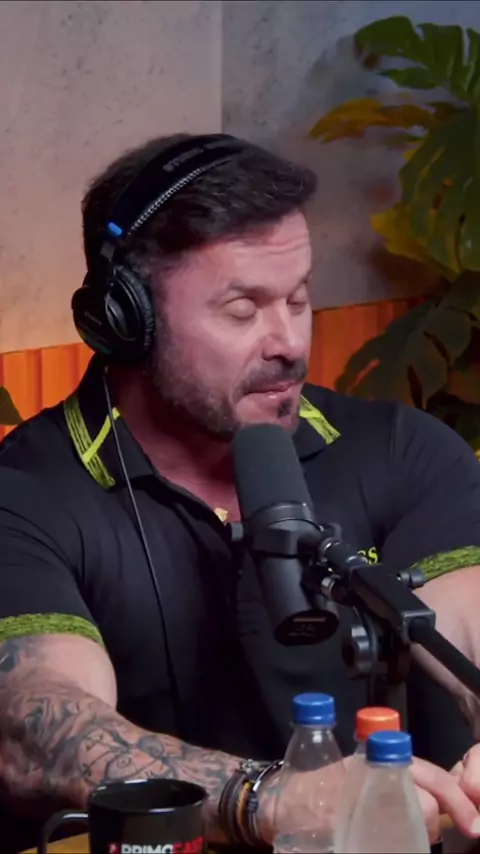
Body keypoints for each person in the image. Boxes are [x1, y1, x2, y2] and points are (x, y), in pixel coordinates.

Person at [1, 132, 480, 851]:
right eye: (242, 309)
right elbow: (39, 726)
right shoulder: (25, 493)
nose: (288, 342)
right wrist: (266, 798)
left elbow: (468, 622)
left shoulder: (401, 448)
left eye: (299, 298)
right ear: (127, 318)